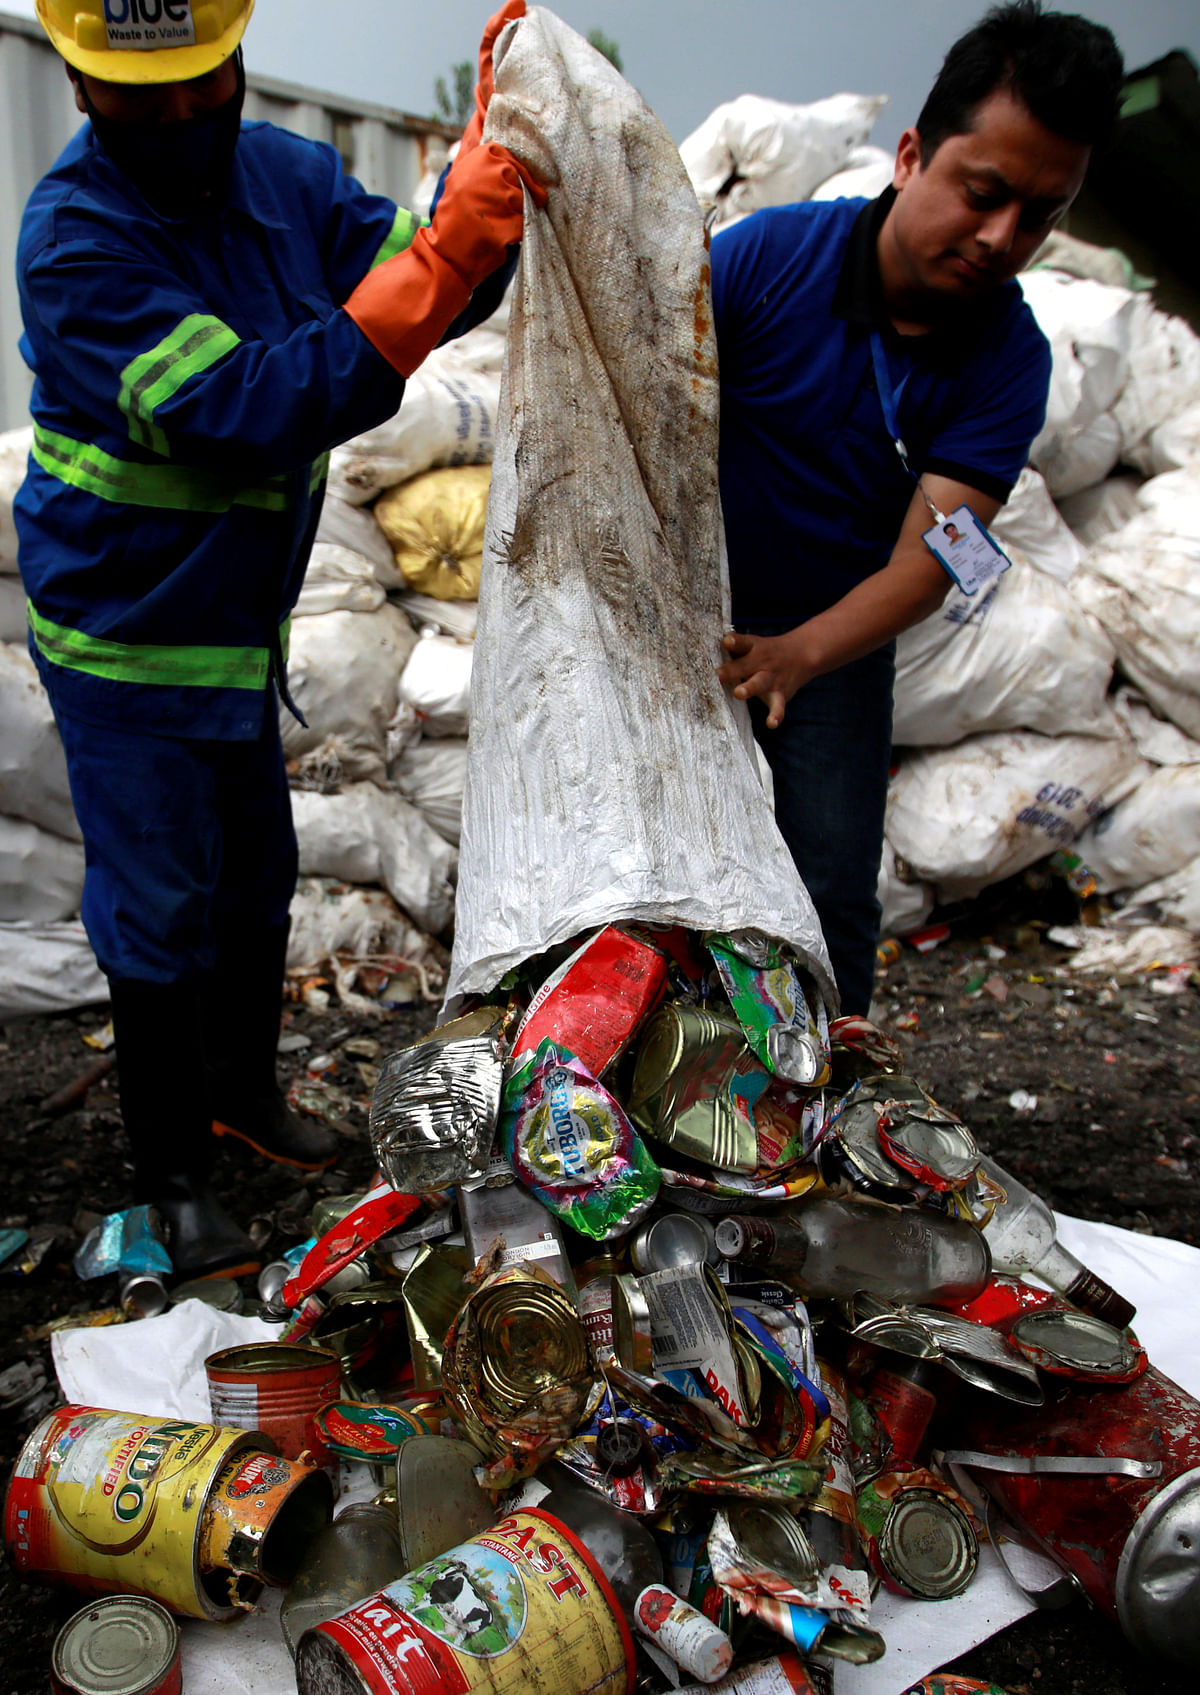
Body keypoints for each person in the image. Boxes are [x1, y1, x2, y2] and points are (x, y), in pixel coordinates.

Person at [16, 0, 539, 1280]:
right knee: (157, 907)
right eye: (140, 98)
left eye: (205, 84)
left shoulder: (288, 178)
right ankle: (173, 1177)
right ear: (81, 82)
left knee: (255, 871)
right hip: (128, 632)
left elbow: (423, 277)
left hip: (238, 619)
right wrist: (439, 266)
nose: (182, 117)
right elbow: (249, 405)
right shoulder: (75, 242)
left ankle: (241, 1095)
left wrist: (490, 205)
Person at [714, 1, 1123, 1015]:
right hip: (681, 619)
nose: (1000, 237)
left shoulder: (1007, 361)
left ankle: (817, 1114)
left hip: (835, 655)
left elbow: (932, 558)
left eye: (1040, 215)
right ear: (909, 156)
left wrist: (798, 654)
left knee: (828, 892)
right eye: (982, 193)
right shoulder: (763, 262)